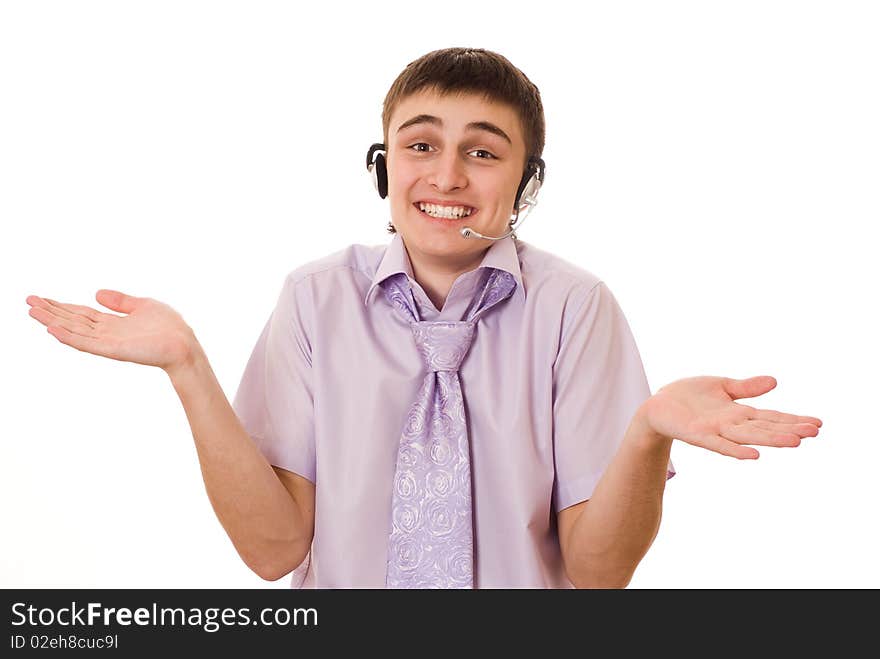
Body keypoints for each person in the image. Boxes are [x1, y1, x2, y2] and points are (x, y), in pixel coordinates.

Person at [25, 47, 822, 589]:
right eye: (419, 145)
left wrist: (646, 431)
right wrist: (187, 367)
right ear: (384, 164)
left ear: (526, 179)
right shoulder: (315, 297)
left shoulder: (576, 308)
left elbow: (598, 569)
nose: (446, 174)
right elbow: (273, 552)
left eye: (482, 150)